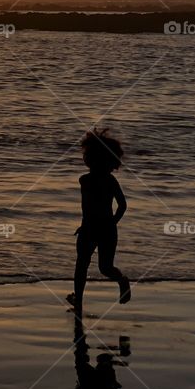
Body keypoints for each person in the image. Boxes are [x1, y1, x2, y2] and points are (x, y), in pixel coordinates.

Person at [67, 129, 131, 314]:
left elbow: (92, 208)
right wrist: (112, 223)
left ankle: (79, 300)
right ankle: (119, 281)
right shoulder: (107, 180)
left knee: (84, 265)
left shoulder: (85, 180)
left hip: (91, 228)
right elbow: (122, 206)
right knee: (103, 267)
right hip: (100, 229)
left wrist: (109, 223)